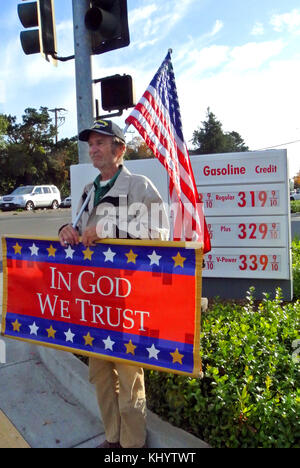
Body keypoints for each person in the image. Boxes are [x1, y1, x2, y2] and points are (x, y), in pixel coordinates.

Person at [58, 119, 169, 449]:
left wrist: (111, 228)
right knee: (100, 375)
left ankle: (133, 446)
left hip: (128, 300)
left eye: (101, 143)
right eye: (91, 144)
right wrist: (67, 230)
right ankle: (112, 438)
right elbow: (80, 228)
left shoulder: (139, 186)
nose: (93, 149)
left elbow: (160, 234)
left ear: (120, 149)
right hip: (96, 300)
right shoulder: (90, 189)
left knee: (129, 374)